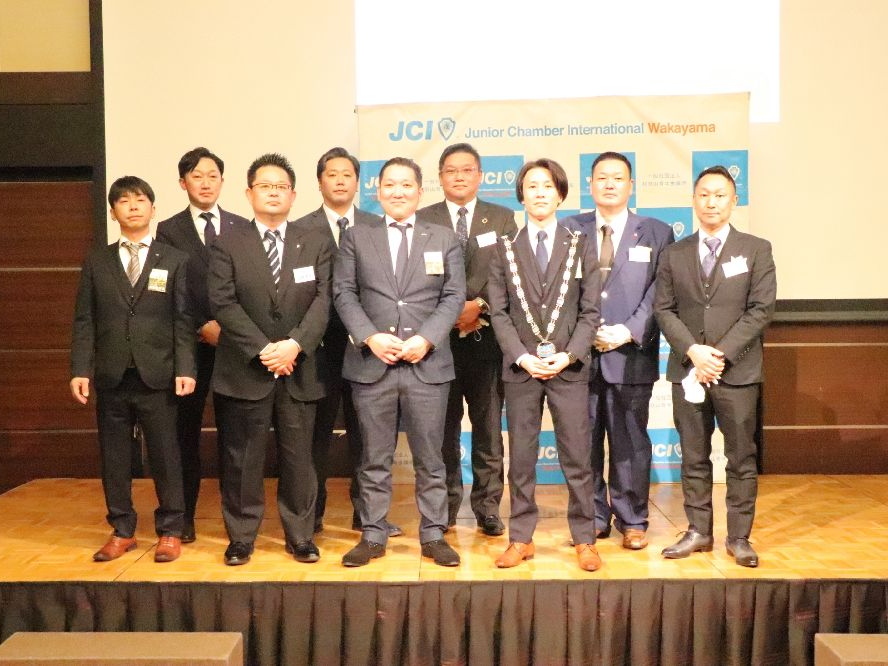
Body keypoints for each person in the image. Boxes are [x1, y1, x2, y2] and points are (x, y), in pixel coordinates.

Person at [333, 157, 465, 567]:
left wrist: (426, 338)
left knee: (432, 458)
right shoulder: (356, 237)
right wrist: (370, 337)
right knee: (373, 458)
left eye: (406, 184)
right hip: (372, 364)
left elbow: (453, 296)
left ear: (420, 191)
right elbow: (343, 293)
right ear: (378, 191)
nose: (398, 191)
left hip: (428, 364)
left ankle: (433, 534)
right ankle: (373, 534)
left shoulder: (443, 237)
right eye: (390, 184)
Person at [208, 153, 334, 566]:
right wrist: (265, 349)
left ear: (293, 195)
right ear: (249, 193)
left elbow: (324, 300)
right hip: (246, 368)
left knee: (300, 458)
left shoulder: (316, 241)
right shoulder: (227, 243)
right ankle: (242, 536)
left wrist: (295, 345)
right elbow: (223, 302)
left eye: (281, 186)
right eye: (265, 186)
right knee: (242, 459)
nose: (274, 193)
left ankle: (301, 535)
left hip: (300, 368)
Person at [654, 165, 776, 568]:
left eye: (720, 195)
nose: (711, 202)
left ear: (734, 200)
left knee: (740, 459)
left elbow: (761, 310)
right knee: (693, 456)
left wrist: (717, 355)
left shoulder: (756, 249)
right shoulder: (674, 253)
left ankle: (739, 537)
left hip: (737, 373)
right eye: (704, 194)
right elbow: (664, 309)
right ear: (693, 199)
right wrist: (694, 352)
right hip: (688, 371)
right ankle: (698, 531)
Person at [70, 176, 196, 563]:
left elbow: (183, 320)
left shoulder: (174, 259)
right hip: (111, 375)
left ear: (153, 208)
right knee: (115, 457)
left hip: (159, 374)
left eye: (140, 200)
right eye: (124, 201)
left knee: (165, 455)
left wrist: (186, 367)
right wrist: (80, 369)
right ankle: (122, 530)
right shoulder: (97, 260)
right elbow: (84, 319)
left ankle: (170, 530)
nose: (133, 206)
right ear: (113, 212)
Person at [487, 158, 602, 571]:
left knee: (577, 457)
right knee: (521, 458)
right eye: (532, 186)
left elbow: (590, 311)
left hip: (569, 368)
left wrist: (568, 355)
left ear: (560, 194)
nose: (539, 193)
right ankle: (521, 538)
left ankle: (585, 539)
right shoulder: (503, 247)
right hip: (522, 370)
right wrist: (522, 356)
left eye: (547, 186)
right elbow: (499, 312)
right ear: (521, 194)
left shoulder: (580, 244)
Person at [561, 152, 674, 550]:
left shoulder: (657, 232)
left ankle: (633, 518)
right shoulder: (569, 228)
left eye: (618, 177)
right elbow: (558, 291)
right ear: (589, 185)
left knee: (630, 442)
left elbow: (661, 292)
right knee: (584, 443)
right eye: (602, 177)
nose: (609, 184)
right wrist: (583, 333)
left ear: (631, 185)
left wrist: (627, 331)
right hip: (579, 357)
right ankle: (593, 516)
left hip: (631, 357)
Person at [293, 147, 401, 538]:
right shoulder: (299, 229)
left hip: (369, 349)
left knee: (368, 437)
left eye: (347, 175)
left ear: (358, 183)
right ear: (319, 181)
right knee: (315, 437)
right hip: (317, 350)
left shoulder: (377, 225)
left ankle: (368, 514)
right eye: (332, 174)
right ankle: (311, 515)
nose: (340, 181)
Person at [418, 143, 517, 536]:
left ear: (480, 176)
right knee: (442, 432)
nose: (459, 176)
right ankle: (443, 508)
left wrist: (479, 305)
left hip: (487, 341)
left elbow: (510, 274)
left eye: (467, 170)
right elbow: (413, 277)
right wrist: (449, 311)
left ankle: (488, 508)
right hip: (436, 343)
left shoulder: (503, 218)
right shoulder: (423, 218)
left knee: (488, 429)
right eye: (451, 170)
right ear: (440, 177)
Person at [155, 147, 248, 543]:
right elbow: (168, 288)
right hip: (190, 347)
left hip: (235, 346)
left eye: (212, 175)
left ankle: (237, 524)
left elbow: (251, 285)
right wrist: (201, 325)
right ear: (183, 183)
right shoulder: (168, 230)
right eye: (197, 176)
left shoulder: (242, 226)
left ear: (223, 181)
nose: (206, 183)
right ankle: (183, 519)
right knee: (183, 435)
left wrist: (231, 329)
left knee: (235, 436)